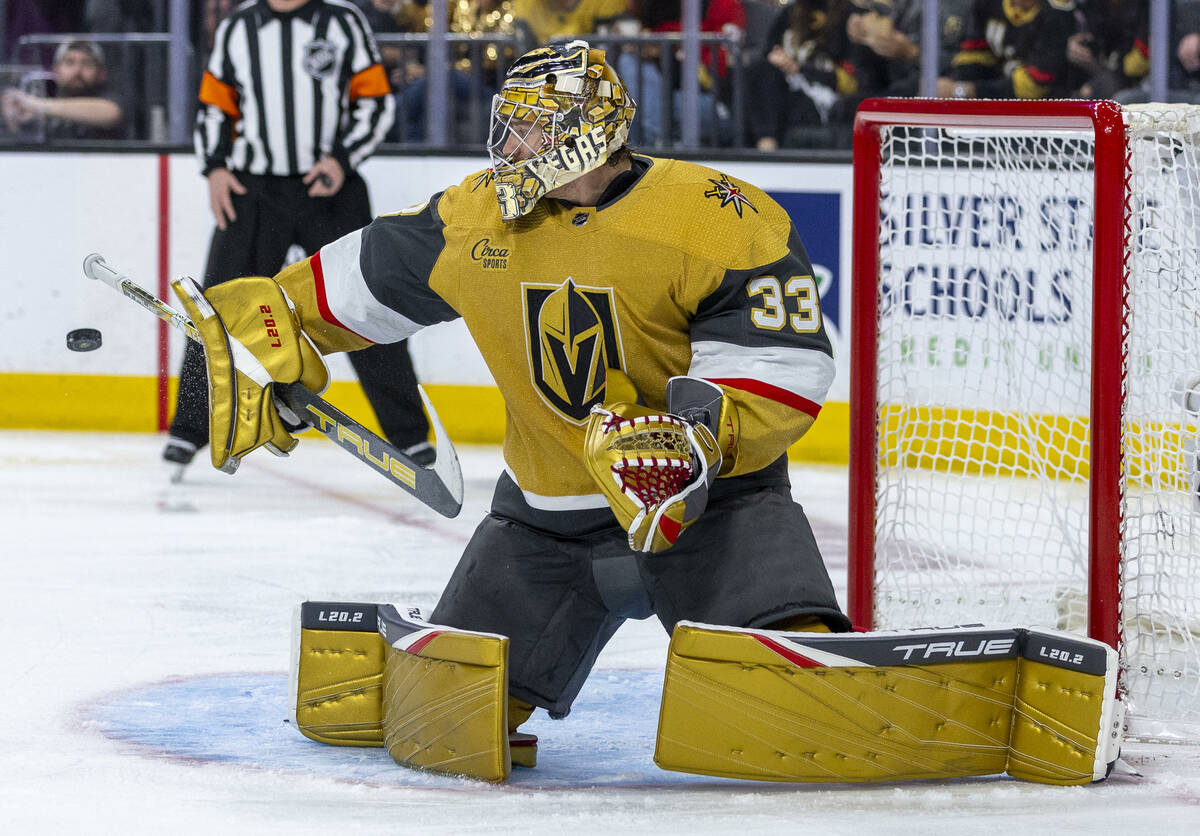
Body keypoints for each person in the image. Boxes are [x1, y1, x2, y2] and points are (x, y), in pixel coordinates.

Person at [171, 39, 850, 771]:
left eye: (531, 125)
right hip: (545, 517)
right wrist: (271, 328)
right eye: (509, 123)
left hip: (712, 508)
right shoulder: (477, 218)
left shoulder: (712, 214)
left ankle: (813, 655)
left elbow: (780, 356)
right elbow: (359, 279)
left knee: (800, 693)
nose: (510, 143)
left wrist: (693, 440)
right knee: (441, 723)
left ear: (590, 129)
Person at [164, 0, 432, 476]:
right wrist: (215, 169)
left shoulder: (342, 21)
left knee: (368, 303)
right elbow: (214, 107)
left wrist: (341, 160)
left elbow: (375, 101)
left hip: (329, 188)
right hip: (252, 190)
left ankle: (409, 436)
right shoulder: (238, 28)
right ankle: (189, 429)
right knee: (220, 305)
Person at [744, 0, 858, 151]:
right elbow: (768, 54)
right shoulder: (789, 13)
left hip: (824, 96)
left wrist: (799, 69)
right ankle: (766, 142)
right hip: (786, 88)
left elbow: (850, 81)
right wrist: (780, 62)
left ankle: (766, 145)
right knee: (758, 71)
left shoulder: (849, 15)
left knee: (774, 98)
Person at [937, 0, 1079, 100]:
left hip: (1050, 115)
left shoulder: (1057, 13)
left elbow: (1033, 87)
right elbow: (976, 54)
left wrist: (962, 90)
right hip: (996, 102)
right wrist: (950, 84)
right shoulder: (989, 4)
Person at [1, 40, 125, 141]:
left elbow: (111, 113)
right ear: (55, 70)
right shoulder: (42, 103)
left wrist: (37, 105)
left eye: (87, 63)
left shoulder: (109, 100)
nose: (78, 70)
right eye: (69, 62)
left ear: (101, 74)